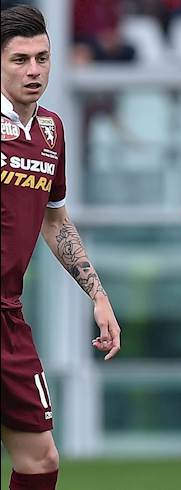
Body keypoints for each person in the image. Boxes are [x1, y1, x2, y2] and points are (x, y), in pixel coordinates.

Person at [1, 5, 123, 490]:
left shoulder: (51, 131)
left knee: (40, 460)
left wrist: (98, 296)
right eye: (19, 60)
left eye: (42, 58)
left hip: (8, 316)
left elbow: (55, 219)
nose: (33, 70)